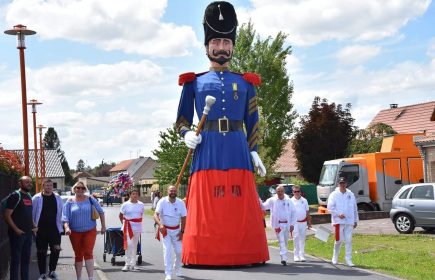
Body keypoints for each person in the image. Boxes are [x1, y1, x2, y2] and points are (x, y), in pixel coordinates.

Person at [175, 1, 269, 265]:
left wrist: (254, 151)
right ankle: (203, 253)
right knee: (209, 204)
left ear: (233, 47)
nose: (222, 47)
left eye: (227, 42)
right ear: (207, 46)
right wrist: (186, 135)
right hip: (208, 149)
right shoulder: (194, 82)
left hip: (238, 149)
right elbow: (181, 120)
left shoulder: (245, 82)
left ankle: (246, 253)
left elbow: (253, 122)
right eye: (216, 41)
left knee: (238, 203)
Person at [62, 182, 106, 280]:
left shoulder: (91, 199)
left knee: (88, 252)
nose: (80, 190)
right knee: (78, 254)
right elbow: (65, 217)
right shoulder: (69, 201)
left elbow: (101, 212)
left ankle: (91, 278)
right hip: (74, 232)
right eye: (78, 188)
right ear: (74, 189)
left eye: (82, 188)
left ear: (85, 189)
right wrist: (67, 228)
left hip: (89, 230)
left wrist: (103, 226)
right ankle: (79, 278)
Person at [4, 176, 37, 280]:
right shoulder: (15, 196)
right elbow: (7, 215)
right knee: (16, 261)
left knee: (26, 261)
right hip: (17, 234)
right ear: (20, 183)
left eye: (30, 182)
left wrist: (34, 225)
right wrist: (16, 230)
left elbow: (29, 214)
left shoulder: (28, 196)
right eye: (26, 182)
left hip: (28, 234)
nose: (29, 184)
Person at [32, 178, 64, 280]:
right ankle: (42, 274)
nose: (49, 187)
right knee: (41, 252)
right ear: (43, 186)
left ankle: (52, 271)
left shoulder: (58, 197)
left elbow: (61, 212)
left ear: (52, 186)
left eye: (50, 185)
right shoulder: (36, 198)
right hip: (41, 230)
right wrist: (33, 226)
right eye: (47, 185)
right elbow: (32, 213)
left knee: (56, 250)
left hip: (55, 229)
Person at [154, 186, 187, 280]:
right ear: (167, 191)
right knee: (167, 251)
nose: (173, 192)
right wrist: (160, 225)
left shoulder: (180, 202)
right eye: (171, 190)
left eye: (174, 190)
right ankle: (168, 273)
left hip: (177, 230)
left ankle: (177, 268)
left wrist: (182, 231)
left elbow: (184, 217)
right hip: (165, 231)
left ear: (176, 192)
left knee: (179, 251)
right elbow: (155, 215)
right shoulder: (162, 201)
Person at [327, 177, 359, 267]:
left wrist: (355, 220)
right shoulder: (334, 194)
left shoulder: (350, 194)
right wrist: (338, 214)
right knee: (338, 240)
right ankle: (335, 257)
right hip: (338, 221)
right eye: (341, 183)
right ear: (338, 184)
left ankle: (348, 259)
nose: (342, 184)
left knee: (349, 240)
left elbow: (355, 208)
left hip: (349, 221)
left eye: (344, 183)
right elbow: (330, 208)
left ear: (346, 184)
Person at [261, 185, 296, 265]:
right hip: (278, 224)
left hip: (287, 224)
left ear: (284, 192)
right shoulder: (272, 200)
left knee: (286, 241)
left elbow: (293, 212)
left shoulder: (288, 200)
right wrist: (258, 200)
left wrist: (292, 224)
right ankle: (283, 257)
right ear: (276, 192)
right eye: (278, 191)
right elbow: (263, 206)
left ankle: (284, 256)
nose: (280, 193)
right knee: (281, 241)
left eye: (281, 191)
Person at [119, 188, 144, 272]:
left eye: (136, 194)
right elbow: (120, 215)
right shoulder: (125, 204)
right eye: (133, 194)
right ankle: (127, 264)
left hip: (137, 227)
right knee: (129, 245)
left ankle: (134, 264)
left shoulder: (141, 204)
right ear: (130, 195)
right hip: (127, 226)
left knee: (135, 245)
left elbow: (141, 215)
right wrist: (124, 224)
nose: (135, 195)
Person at [290, 185, 311, 262]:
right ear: (293, 192)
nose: (297, 193)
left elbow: (307, 212)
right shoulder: (290, 201)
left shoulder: (304, 200)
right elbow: (289, 213)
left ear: (300, 192)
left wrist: (309, 223)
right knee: (296, 238)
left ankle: (302, 255)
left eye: (298, 191)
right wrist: (290, 224)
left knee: (302, 238)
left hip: (304, 222)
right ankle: (296, 255)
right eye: (295, 191)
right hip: (295, 222)